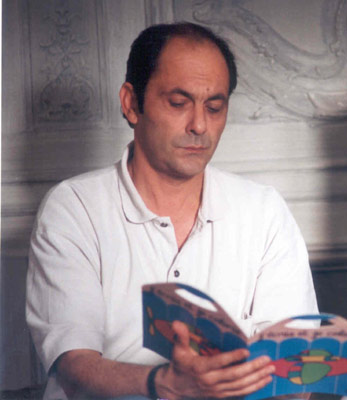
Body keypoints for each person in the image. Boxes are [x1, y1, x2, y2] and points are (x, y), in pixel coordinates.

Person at [26, 22, 318, 400]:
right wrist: (163, 383)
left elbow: (295, 370)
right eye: (178, 103)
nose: (199, 125)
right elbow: (74, 365)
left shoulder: (264, 211)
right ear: (132, 103)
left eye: (214, 107)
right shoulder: (74, 208)